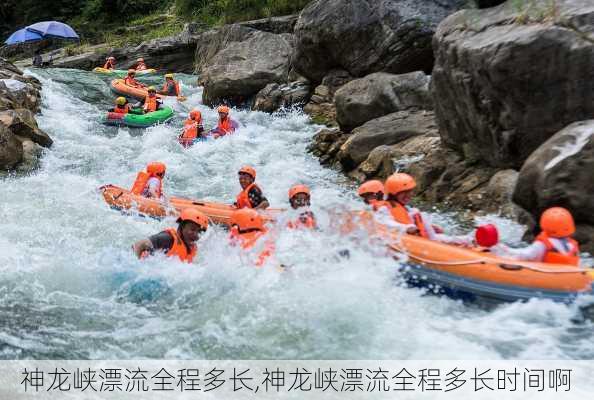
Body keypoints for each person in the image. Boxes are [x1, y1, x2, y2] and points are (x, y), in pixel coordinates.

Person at [490, 207, 580, 266]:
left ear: (544, 224)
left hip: (545, 277)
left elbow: (525, 254)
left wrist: (502, 248)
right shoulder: (572, 245)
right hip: (568, 279)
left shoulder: (542, 244)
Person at [132, 209, 208, 263]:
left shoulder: (192, 248)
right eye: (192, 229)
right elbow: (138, 245)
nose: (196, 235)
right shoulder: (168, 239)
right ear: (181, 227)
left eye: (199, 232)